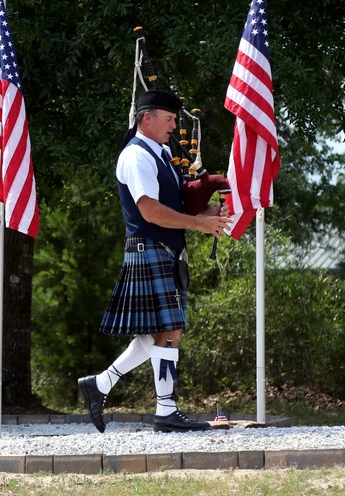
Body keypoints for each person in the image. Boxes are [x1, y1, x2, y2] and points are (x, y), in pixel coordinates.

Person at [78, 89, 231, 433]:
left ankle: (102, 384)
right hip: (150, 247)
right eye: (170, 119)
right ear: (147, 117)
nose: (174, 127)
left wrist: (209, 213)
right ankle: (164, 409)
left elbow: (174, 206)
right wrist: (199, 224)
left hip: (163, 249)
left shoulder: (159, 153)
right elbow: (150, 210)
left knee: (163, 331)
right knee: (169, 331)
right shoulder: (136, 157)